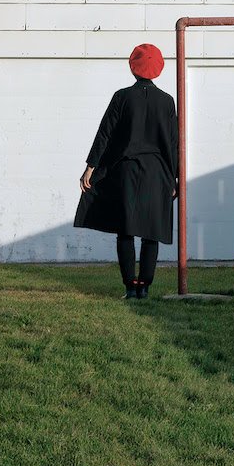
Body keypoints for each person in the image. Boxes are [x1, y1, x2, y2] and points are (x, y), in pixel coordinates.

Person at [77, 42, 179, 300]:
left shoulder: (122, 97)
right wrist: (175, 176)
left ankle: (129, 287)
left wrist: (91, 167)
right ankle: (144, 286)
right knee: (150, 231)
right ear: (158, 68)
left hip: (126, 172)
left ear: (133, 67)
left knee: (126, 230)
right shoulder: (167, 102)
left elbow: (105, 133)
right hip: (157, 173)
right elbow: (173, 141)